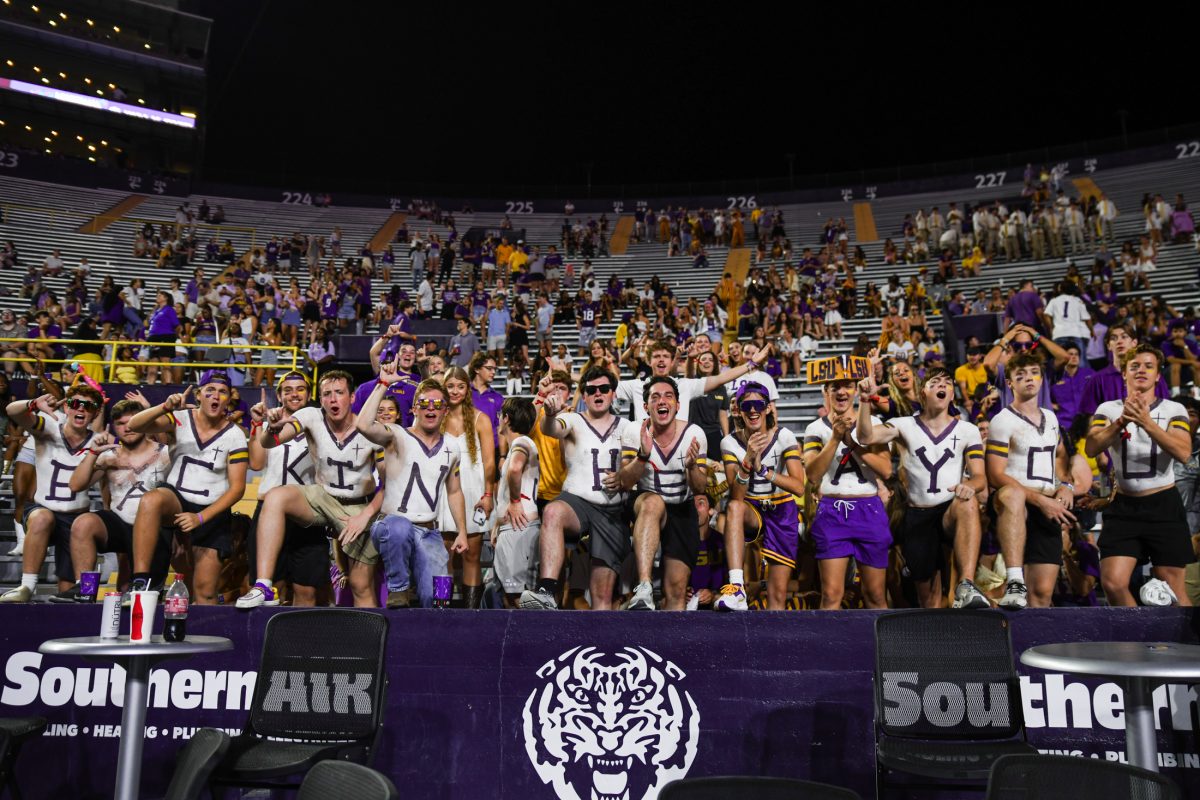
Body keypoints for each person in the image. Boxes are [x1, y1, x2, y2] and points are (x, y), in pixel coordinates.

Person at [236, 370, 383, 608]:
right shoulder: (310, 416)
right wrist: (270, 428)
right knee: (276, 497)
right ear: (320, 398)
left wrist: (365, 516)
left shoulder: (372, 429)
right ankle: (263, 585)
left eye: (339, 393)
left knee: (360, 585)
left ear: (352, 397)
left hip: (357, 505)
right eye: (327, 394)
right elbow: (269, 444)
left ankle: (368, 640)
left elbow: (389, 484)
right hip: (319, 497)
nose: (333, 399)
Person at [856, 368, 990, 609]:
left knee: (968, 502)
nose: (942, 385)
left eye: (947, 382)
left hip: (951, 510)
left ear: (952, 395)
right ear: (922, 393)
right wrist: (865, 400)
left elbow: (980, 477)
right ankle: (933, 640)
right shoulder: (904, 424)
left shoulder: (968, 430)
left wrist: (969, 485)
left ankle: (967, 584)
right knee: (928, 598)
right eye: (934, 382)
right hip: (917, 514)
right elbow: (865, 437)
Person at [124, 371, 248, 603]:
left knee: (205, 592)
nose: (216, 396)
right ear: (199, 394)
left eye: (222, 392)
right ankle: (140, 580)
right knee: (151, 499)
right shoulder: (180, 418)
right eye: (210, 390)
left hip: (212, 510)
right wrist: (164, 407)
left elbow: (237, 488)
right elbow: (135, 424)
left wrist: (200, 518)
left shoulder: (235, 436)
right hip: (177, 498)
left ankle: (207, 637)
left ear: (228, 399)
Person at [1086, 345, 1194, 606]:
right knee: (1112, 582)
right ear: (1124, 373)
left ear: (1158, 375)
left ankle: (1190, 645)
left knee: (1174, 589)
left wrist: (1146, 422)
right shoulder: (1108, 409)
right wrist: (1123, 420)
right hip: (1124, 506)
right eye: (1134, 366)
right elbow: (1092, 446)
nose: (1141, 371)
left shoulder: (1173, 409)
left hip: (1163, 505)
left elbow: (1183, 452)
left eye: (1148, 366)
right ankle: (1137, 640)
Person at [355, 368, 469, 608]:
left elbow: (454, 491)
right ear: (414, 408)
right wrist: (383, 383)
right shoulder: (396, 435)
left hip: (430, 533)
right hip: (391, 525)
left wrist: (461, 531)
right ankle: (398, 588)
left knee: (440, 599)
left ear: (445, 411)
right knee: (399, 527)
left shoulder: (452, 447)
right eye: (424, 403)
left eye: (437, 404)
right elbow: (363, 425)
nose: (431, 408)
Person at [519, 367, 630, 610]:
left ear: (613, 393)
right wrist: (548, 414)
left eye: (604, 389)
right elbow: (552, 429)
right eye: (591, 390)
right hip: (577, 503)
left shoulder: (627, 427)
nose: (597, 393)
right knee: (553, 512)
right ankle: (547, 590)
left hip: (612, 512)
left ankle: (602, 646)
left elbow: (637, 465)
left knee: (602, 599)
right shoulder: (573, 419)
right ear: (584, 395)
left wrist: (623, 475)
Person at [53, 397, 171, 601]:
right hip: (120, 524)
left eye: (132, 421)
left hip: (155, 529)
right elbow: (75, 485)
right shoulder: (109, 456)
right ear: (114, 427)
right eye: (121, 423)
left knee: (142, 595)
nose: (128, 428)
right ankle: (86, 589)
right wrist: (92, 452)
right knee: (83, 523)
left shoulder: (166, 454)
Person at [985, 352, 1077, 609]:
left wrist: (1065, 485)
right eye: (1020, 375)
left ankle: (1034, 646)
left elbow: (1060, 456)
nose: (1028, 379)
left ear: (1042, 378)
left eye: (1034, 372)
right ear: (1010, 383)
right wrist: (1039, 500)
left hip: (1046, 501)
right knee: (1012, 495)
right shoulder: (1002, 420)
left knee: (1042, 593)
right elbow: (996, 474)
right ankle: (1015, 579)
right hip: (1016, 502)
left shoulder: (1052, 417)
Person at [0, 383, 104, 601]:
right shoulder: (48, 426)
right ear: (66, 407)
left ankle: (81, 597)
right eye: (75, 403)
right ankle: (26, 586)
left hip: (76, 517)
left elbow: (103, 481)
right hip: (44, 507)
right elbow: (12, 411)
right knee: (41, 519)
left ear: (95, 413)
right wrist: (32, 403)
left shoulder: (99, 442)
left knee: (70, 590)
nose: (81, 409)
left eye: (88, 406)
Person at [615, 377, 709, 611]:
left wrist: (691, 467)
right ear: (645, 407)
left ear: (678, 405)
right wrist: (642, 456)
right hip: (645, 503)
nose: (661, 401)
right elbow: (625, 482)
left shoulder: (694, 433)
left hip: (681, 507)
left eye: (668, 396)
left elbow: (700, 488)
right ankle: (644, 586)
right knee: (654, 502)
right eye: (654, 397)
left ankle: (669, 646)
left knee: (677, 592)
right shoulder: (634, 430)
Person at [802, 376, 894, 610]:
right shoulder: (815, 428)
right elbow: (812, 475)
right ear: (827, 392)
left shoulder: (873, 422)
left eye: (847, 386)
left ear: (856, 391)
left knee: (875, 595)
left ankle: (880, 647)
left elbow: (886, 469)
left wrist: (851, 443)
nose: (841, 392)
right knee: (832, 595)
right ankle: (828, 647)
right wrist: (834, 439)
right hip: (832, 510)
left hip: (869, 509)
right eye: (835, 387)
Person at [721, 382, 807, 610]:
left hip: (781, 509)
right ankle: (737, 586)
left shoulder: (784, 436)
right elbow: (736, 496)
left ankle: (775, 644)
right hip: (751, 507)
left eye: (758, 404)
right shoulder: (729, 442)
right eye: (746, 405)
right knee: (733, 508)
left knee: (777, 595)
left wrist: (763, 470)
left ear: (768, 408)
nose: (752, 410)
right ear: (737, 410)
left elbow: (799, 487)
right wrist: (748, 460)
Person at [245, 373, 324, 605]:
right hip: (269, 512)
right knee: (271, 588)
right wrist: (258, 424)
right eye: (288, 390)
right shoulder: (270, 425)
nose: (294, 394)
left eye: (300, 389)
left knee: (306, 591)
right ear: (279, 395)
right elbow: (257, 463)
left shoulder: (320, 424)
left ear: (309, 395)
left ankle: (300, 641)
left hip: (308, 512)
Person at [438, 367, 496, 608]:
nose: (455, 391)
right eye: (450, 386)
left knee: (472, 555)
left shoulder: (480, 418)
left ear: (467, 389)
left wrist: (488, 494)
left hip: (473, 490)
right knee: (443, 557)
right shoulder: (436, 416)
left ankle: (471, 614)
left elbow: (490, 462)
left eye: (460, 386)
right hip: (443, 491)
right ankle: (441, 608)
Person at [616, 338, 768, 422]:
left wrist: (751, 364)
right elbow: (604, 386)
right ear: (649, 361)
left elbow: (721, 378)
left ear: (671, 361)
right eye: (656, 356)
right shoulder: (636, 385)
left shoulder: (684, 386)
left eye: (665, 356)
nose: (661, 360)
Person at [491, 397, 542, 605]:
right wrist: (497, 523)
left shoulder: (521, 441)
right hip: (514, 528)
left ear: (506, 418)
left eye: (499, 415)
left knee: (518, 598)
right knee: (511, 597)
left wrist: (514, 501)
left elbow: (514, 468)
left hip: (519, 528)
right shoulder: (522, 442)